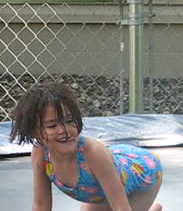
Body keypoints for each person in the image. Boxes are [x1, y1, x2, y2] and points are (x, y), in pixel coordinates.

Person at [9, 82, 163, 211]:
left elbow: (120, 207)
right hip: (103, 185)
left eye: (69, 121)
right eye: (52, 125)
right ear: (35, 132)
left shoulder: (92, 154)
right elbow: (41, 205)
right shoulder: (40, 154)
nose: (64, 130)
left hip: (142, 177)